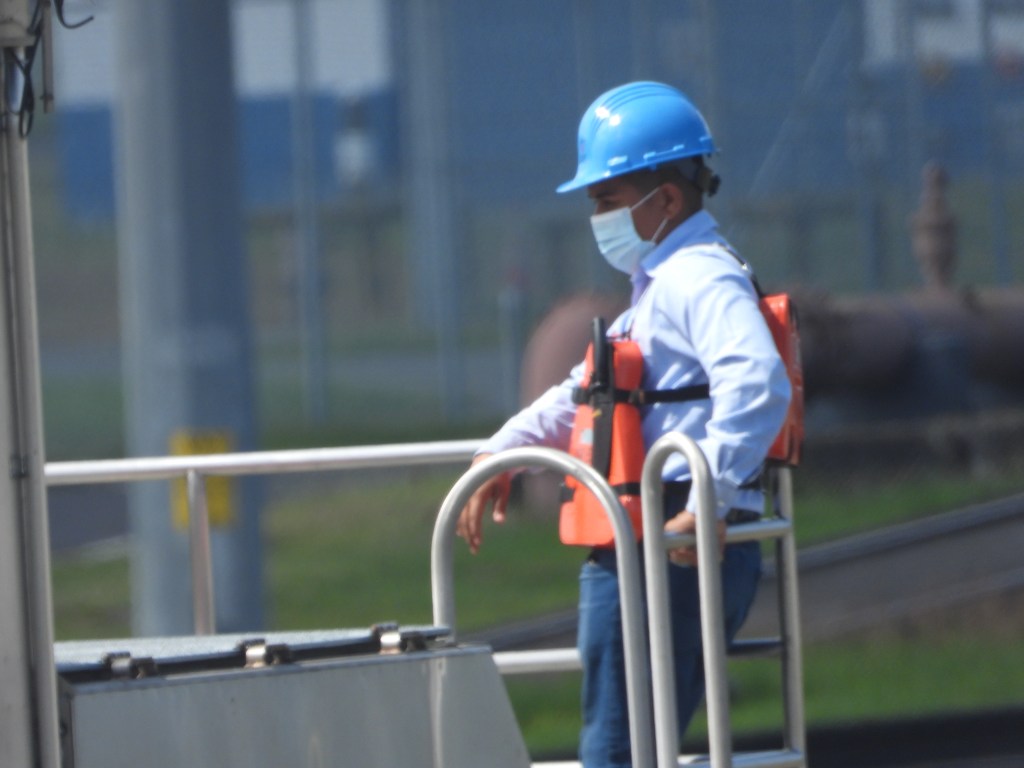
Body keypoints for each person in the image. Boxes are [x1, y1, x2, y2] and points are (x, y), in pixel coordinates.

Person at [456, 81, 791, 767]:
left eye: (608, 201)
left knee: (620, 750)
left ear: (666, 200)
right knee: (635, 745)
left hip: (670, 542)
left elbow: (758, 380)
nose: (598, 217)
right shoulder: (662, 286)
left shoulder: (697, 278)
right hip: (655, 539)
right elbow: (585, 391)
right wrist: (502, 452)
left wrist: (708, 497)